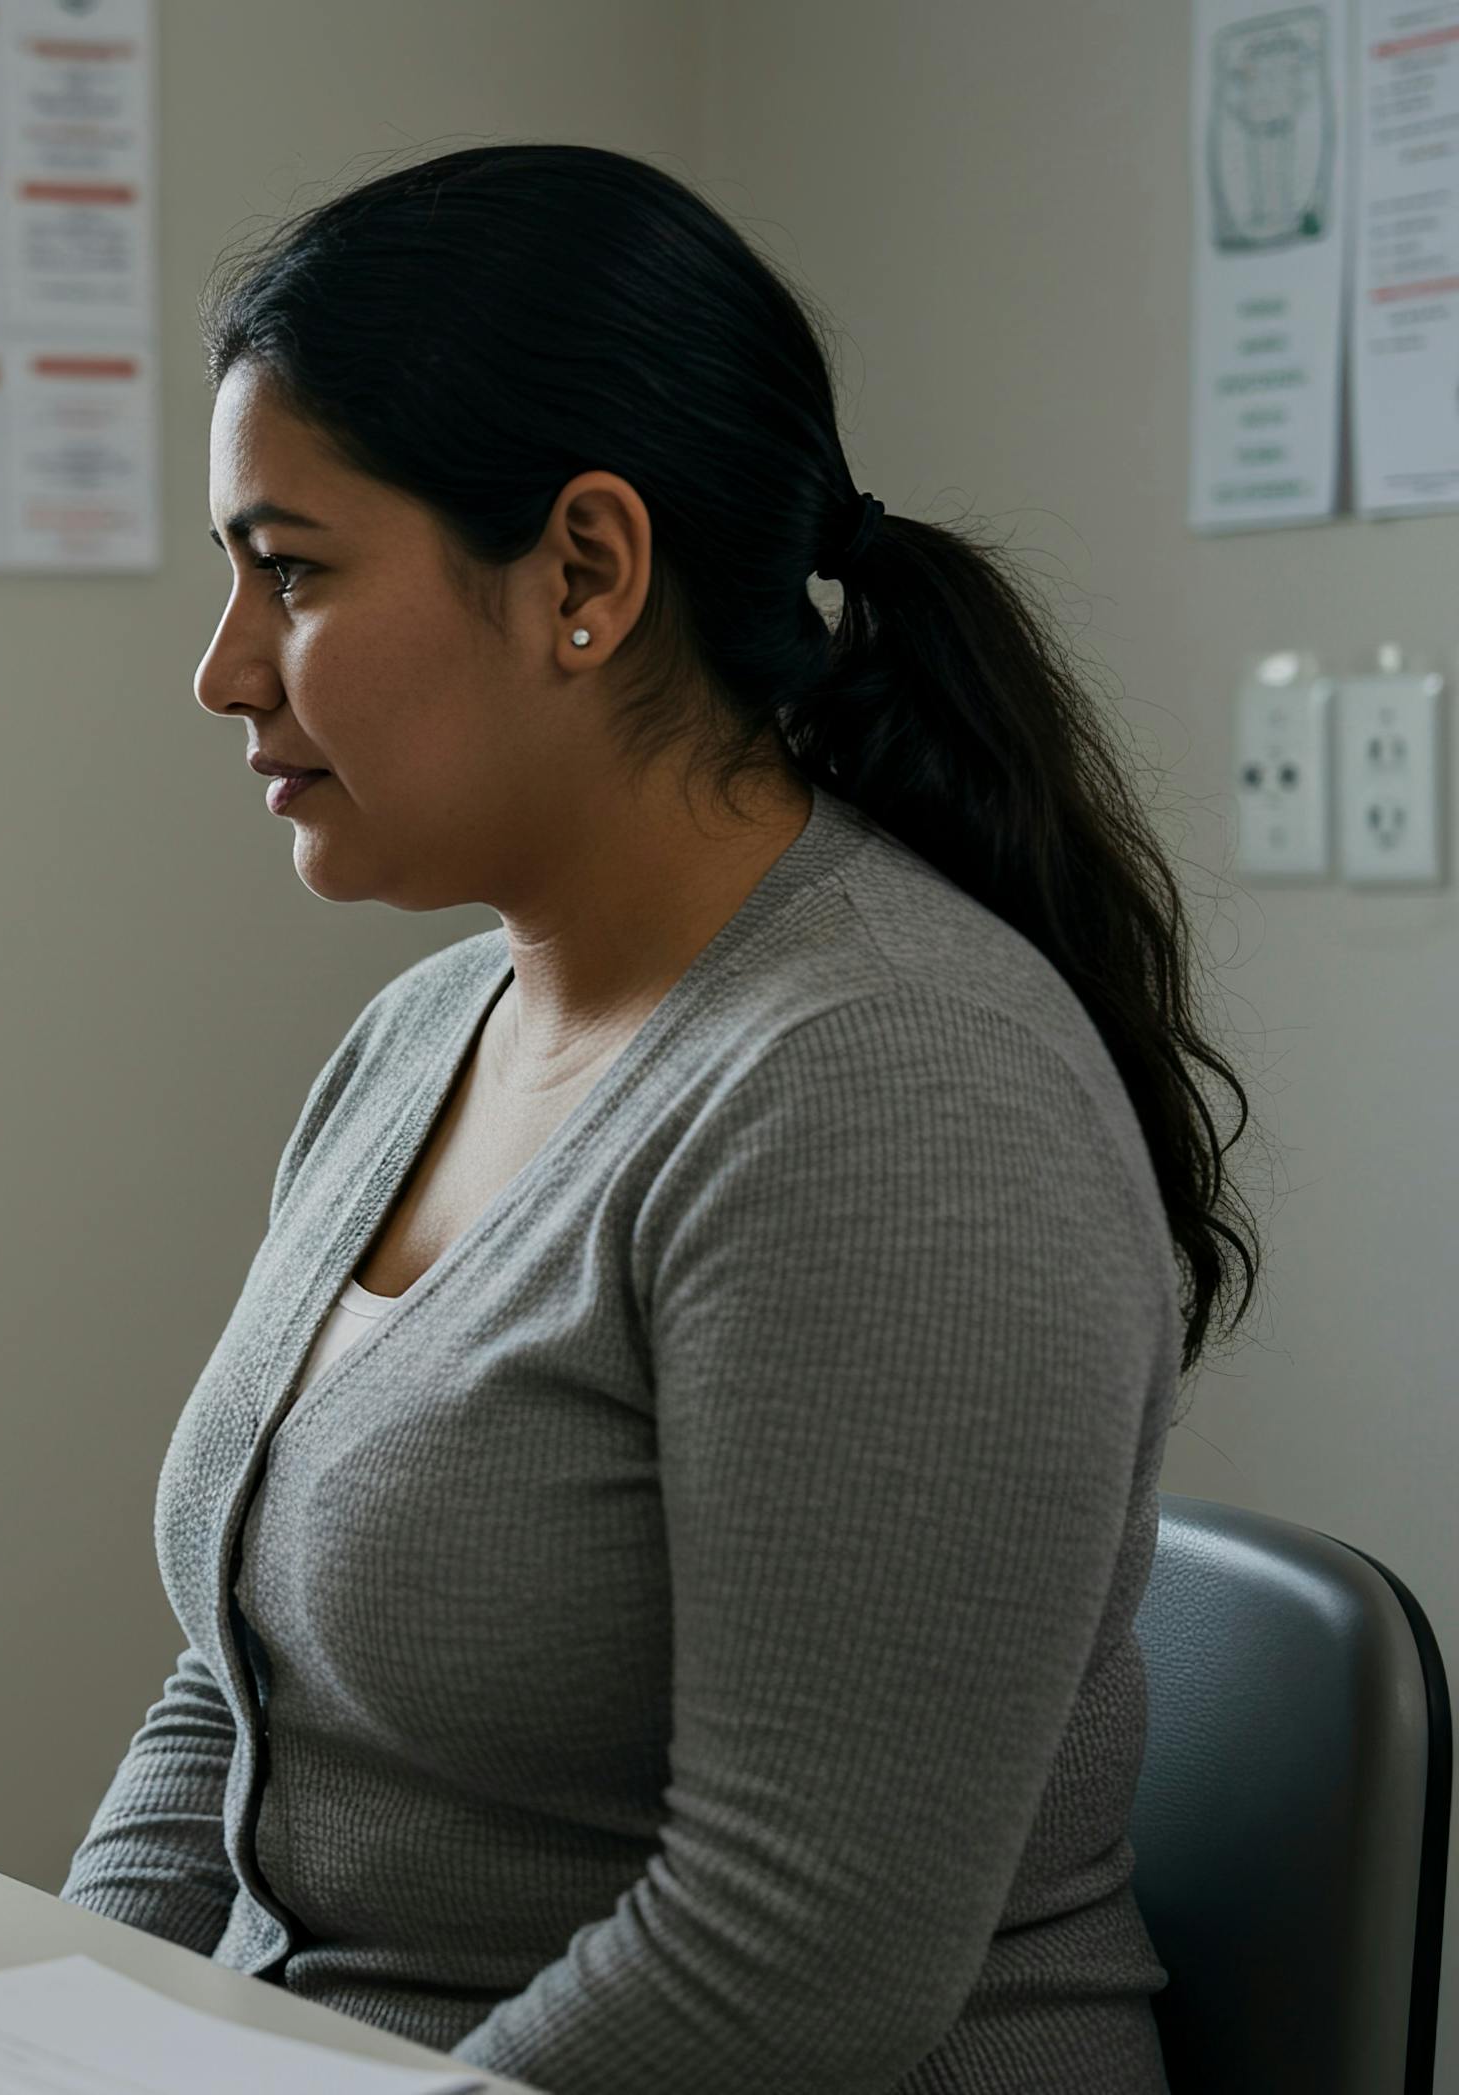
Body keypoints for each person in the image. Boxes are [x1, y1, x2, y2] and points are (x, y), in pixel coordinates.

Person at [61, 146, 1253, 2093]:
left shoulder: (897, 1093)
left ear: (587, 575)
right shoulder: (418, 1042)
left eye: (291, 569)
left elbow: (793, 1965)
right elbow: (239, 1695)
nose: (223, 669)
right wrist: (46, 2044)